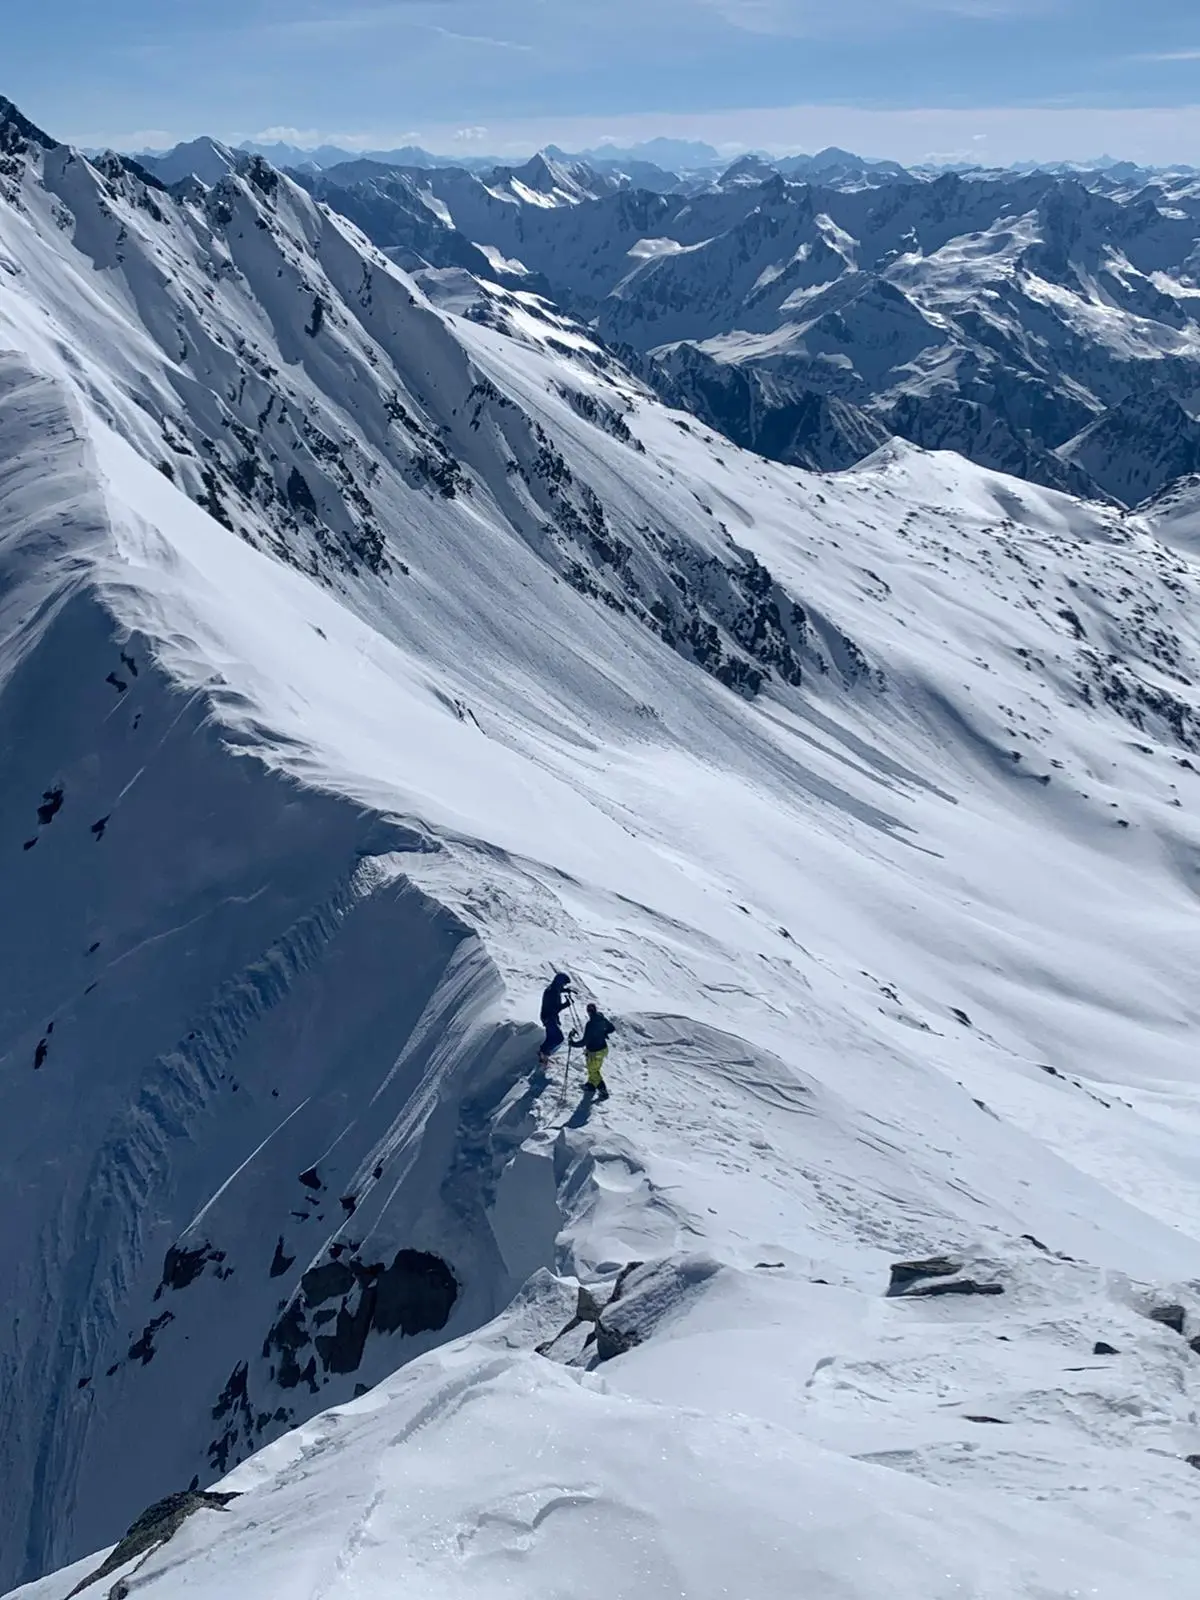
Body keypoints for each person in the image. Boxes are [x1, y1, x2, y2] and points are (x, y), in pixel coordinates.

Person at [572, 1002, 615, 1099]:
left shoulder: (590, 1024)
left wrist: (573, 1043)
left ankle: (603, 1090)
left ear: (588, 1012)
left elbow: (584, 1041)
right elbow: (612, 1028)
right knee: (595, 1068)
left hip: (594, 1052)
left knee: (593, 1071)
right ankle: (590, 1086)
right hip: (603, 1049)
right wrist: (604, 1032)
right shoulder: (602, 1018)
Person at [538, 973, 573, 1064]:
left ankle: (543, 1055)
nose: (563, 985)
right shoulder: (553, 992)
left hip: (547, 1017)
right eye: (564, 984)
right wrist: (566, 1004)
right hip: (550, 1017)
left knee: (551, 1038)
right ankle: (544, 1053)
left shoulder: (552, 989)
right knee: (558, 1038)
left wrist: (565, 990)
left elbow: (557, 990)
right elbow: (555, 1008)